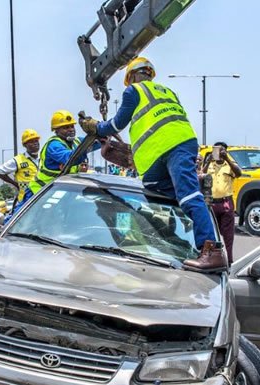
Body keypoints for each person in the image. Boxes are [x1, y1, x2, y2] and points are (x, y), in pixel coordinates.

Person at [79, 57, 224, 271]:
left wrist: (96, 127)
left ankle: (211, 251)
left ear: (133, 76)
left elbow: (117, 123)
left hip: (173, 147)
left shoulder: (133, 91)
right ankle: (193, 191)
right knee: (152, 186)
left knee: (189, 196)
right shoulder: (166, 91)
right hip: (168, 150)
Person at [17, 110, 99, 210]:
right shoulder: (54, 145)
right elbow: (71, 158)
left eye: (72, 126)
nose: (71, 129)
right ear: (56, 130)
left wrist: (99, 130)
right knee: (17, 223)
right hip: (39, 193)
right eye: (65, 127)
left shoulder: (76, 142)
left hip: (57, 194)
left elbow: (97, 142)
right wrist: (88, 144)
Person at [204, 142, 242, 264]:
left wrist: (227, 159)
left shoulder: (230, 165)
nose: (219, 153)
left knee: (228, 235)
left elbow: (238, 173)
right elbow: (201, 175)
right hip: (212, 203)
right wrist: (208, 161)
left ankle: (229, 261)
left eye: (222, 151)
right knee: (211, 233)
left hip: (226, 203)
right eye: (217, 150)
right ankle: (213, 259)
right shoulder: (210, 165)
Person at [0, 129, 40, 204]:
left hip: (41, 197)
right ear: (25, 145)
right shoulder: (18, 160)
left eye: (36, 141)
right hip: (25, 200)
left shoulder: (44, 158)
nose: (35, 143)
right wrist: (15, 184)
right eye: (31, 141)